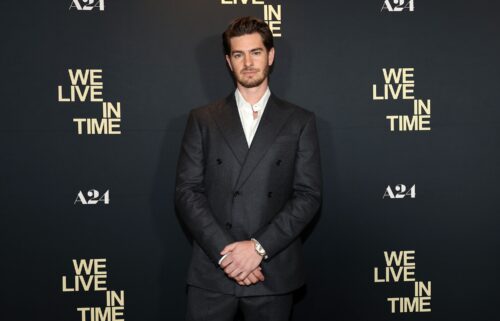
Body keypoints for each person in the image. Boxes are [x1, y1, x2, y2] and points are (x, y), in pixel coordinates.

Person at [175, 16, 322, 321]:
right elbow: (187, 192)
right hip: (213, 270)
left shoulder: (299, 121)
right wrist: (228, 254)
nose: (248, 63)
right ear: (229, 62)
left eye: (255, 52)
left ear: (270, 55)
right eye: (239, 55)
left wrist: (257, 249)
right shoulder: (202, 119)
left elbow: (308, 196)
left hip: (272, 270)